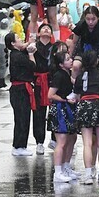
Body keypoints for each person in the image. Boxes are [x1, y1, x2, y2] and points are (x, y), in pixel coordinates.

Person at [73, 50, 99, 185]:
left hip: (85, 106)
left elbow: (78, 97)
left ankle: (88, 174)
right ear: (96, 61)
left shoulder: (80, 77)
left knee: (87, 144)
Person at [5, 32, 40, 157]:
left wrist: (29, 42)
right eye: (18, 38)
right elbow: (32, 66)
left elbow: (24, 46)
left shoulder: (16, 53)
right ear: (13, 43)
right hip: (20, 89)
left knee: (23, 117)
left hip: (20, 89)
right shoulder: (17, 56)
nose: (20, 40)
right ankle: (19, 146)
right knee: (21, 118)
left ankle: (21, 145)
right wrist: (31, 54)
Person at [47, 51, 79, 183]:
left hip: (68, 109)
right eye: (67, 59)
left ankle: (66, 166)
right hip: (60, 110)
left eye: (70, 58)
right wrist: (65, 100)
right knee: (61, 141)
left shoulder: (67, 74)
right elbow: (50, 95)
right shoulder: (59, 76)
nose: (71, 60)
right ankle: (58, 171)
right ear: (61, 64)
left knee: (72, 138)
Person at [32, 25, 56, 153]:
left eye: (48, 28)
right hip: (38, 82)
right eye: (43, 28)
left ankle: (54, 139)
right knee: (38, 112)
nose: (46, 29)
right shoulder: (33, 47)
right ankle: (39, 141)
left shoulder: (55, 47)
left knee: (54, 111)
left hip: (52, 81)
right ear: (38, 33)